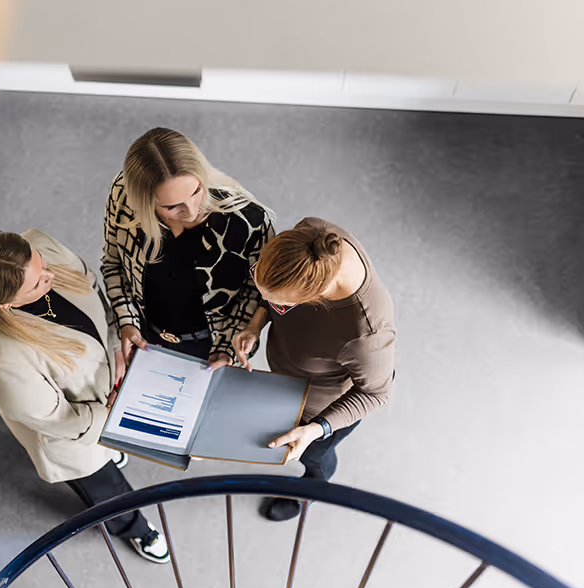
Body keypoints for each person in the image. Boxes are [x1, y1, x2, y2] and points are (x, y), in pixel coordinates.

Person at [0, 228, 170, 563]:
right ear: (7, 304)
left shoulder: (38, 247)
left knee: (110, 450)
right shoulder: (0, 361)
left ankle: (111, 446)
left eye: (42, 266)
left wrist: (115, 346)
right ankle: (135, 528)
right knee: (106, 490)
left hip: (103, 392)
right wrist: (112, 414)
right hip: (73, 435)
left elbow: (91, 287)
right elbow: (59, 419)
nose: (51, 275)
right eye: (39, 282)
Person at [233, 218, 396, 521]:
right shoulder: (310, 235)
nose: (268, 303)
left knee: (315, 457)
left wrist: (315, 429)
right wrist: (255, 323)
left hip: (320, 408)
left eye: (278, 303)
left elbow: (376, 393)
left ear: (315, 297)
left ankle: (311, 490)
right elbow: (270, 294)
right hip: (289, 378)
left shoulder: (366, 335)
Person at [102, 128, 276, 369]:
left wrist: (227, 347)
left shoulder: (248, 220)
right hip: (144, 337)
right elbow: (114, 263)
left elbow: (257, 291)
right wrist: (126, 320)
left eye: (196, 191)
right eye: (173, 206)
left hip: (212, 344)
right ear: (143, 201)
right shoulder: (123, 196)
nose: (192, 211)